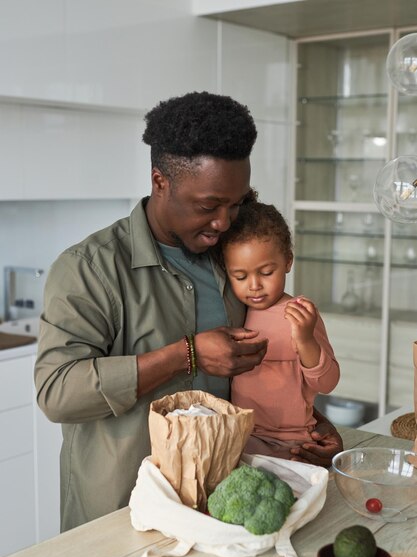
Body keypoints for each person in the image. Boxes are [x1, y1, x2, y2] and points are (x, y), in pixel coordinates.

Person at [35, 91, 342, 532]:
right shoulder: (89, 268)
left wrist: (314, 427)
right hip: (120, 511)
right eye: (208, 206)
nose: (223, 221)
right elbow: (57, 392)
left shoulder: (232, 257)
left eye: (234, 204)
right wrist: (187, 355)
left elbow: (276, 364)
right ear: (161, 182)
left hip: (219, 503)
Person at [219, 199, 341, 459]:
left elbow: (328, 382)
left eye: (266, 272)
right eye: (240, 276)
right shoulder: (234, 311)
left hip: (293, 441)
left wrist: (306, 340)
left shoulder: (301, 314)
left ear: (287, 261)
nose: (254, 286)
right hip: (243, 434)